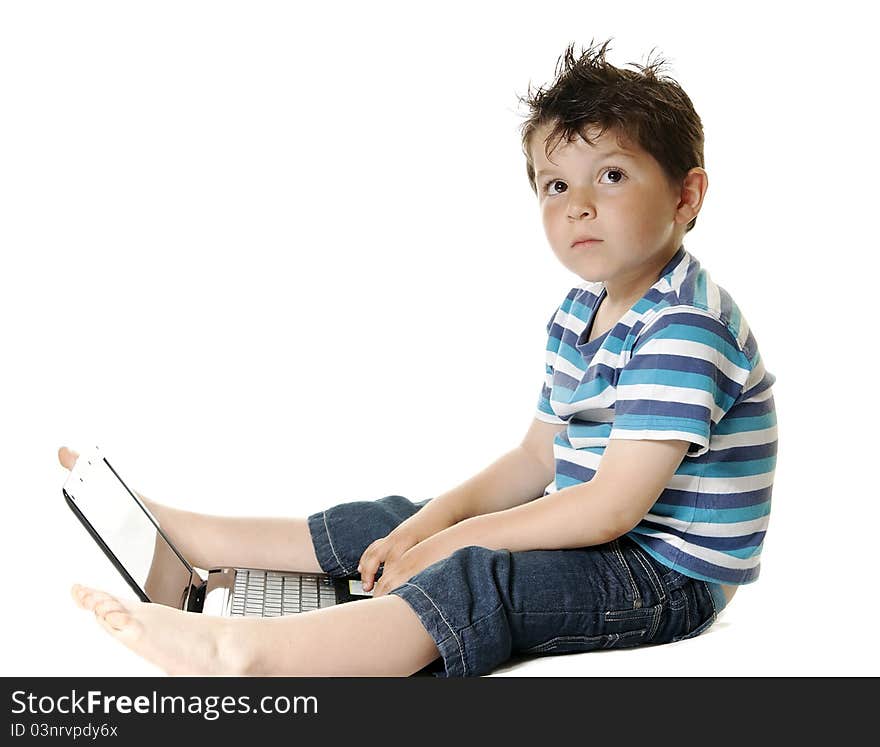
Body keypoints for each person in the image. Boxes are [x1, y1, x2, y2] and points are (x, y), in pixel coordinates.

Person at [60, 38, 777, 677]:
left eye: (612, 176)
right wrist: (428, 524)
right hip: (604, 534)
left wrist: (452, 542)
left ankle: (247, 652)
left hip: (666, 576)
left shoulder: (685, 323)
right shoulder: (581, 312)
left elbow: (610, 508)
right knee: (407, 516)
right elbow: (537, 459)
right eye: (556, 185)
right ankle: (194, 535)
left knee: (475, 575)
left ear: (686, 195)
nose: (578, 205)